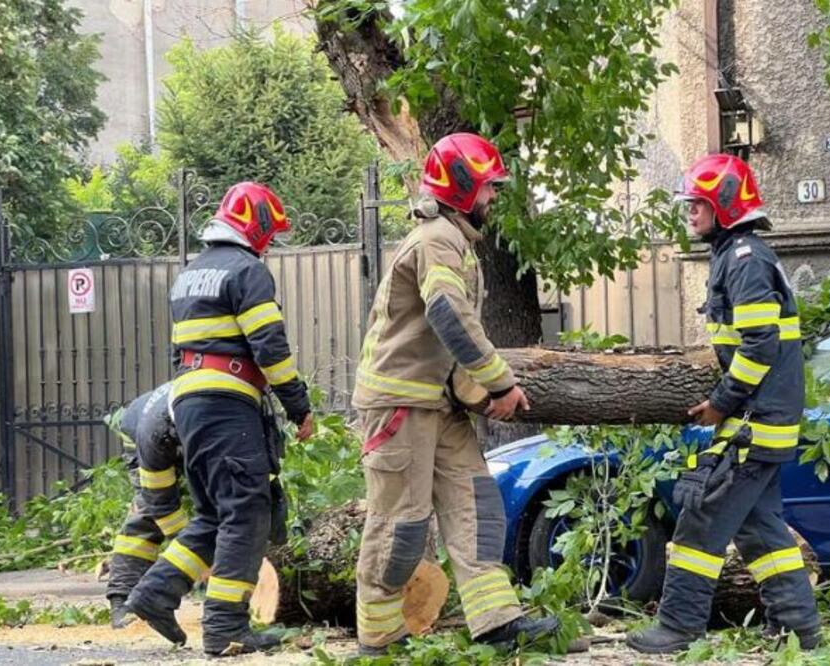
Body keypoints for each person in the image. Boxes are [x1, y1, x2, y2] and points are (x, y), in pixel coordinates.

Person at [351, 133, 559, 656]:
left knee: (477, 510)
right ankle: (378, 635)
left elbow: (446, 339)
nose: (493, 196)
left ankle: (496, 620)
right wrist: (500, 383)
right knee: (401, 525)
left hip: (437, 405)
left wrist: (473, 393)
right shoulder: (436, 240)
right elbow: (450, 318)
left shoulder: (453, 238)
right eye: (489, 187)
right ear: (463, 187)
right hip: (399, 404)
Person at [626, 154, 820, 654]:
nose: (689, 214)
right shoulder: (738, 255)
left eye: (698, 205)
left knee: (700, 519)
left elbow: (758, 346)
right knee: (760, 531)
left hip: (754, 422)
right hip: (764, 420)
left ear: (726, 206)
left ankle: (678, 626)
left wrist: (719, 402)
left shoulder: (745, 261)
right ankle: (800, 630)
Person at [124, 182, 313, 658]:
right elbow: (270, 346)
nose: (270, 243)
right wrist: (299, 406)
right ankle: (226, 627)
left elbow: (180, 348)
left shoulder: (190, 273)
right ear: (258, 225)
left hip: (188, 397)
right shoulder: (247, 271)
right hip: (227, 401)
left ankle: (155, 593)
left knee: (214, 512)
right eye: (270, 232)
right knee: (248, 510)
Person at [104, 382, 185, 630]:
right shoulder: (158, 428)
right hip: (141, 432)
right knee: (148, 514)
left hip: (174, 429)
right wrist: (183, 538)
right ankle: (123, 599)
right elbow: (160, 500)